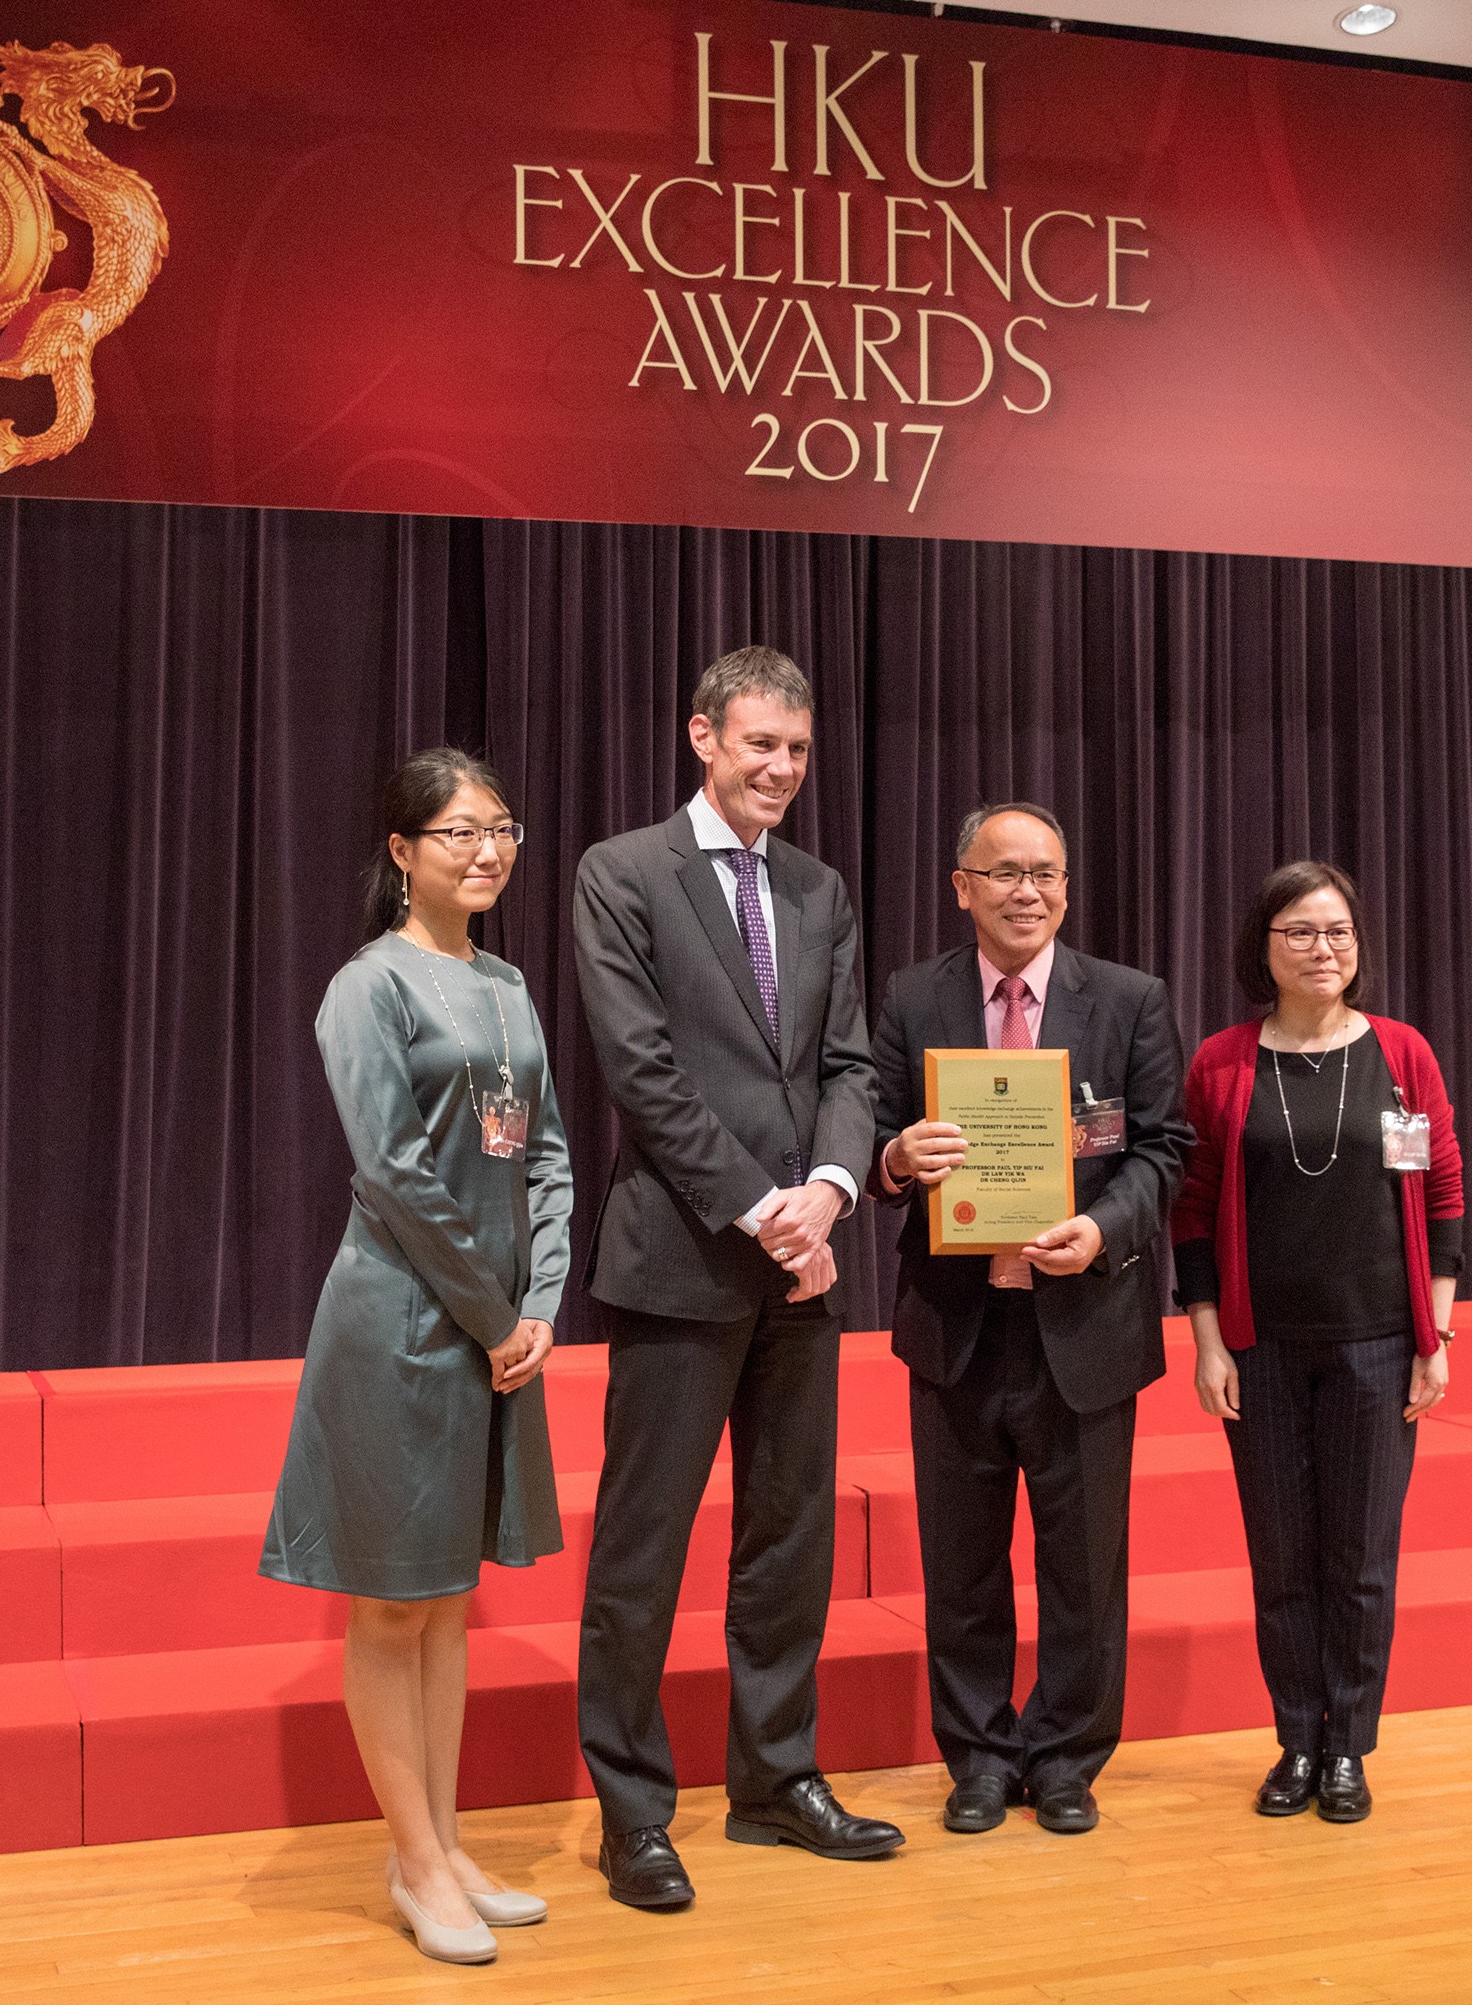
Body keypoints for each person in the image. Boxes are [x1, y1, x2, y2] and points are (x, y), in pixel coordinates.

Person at [568, 645, 896, 1909]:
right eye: (761, 743)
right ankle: (632, 1811)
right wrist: (764, 1207)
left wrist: (832, 1188)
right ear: (701, 734)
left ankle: (773, 1779)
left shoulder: (818, 887)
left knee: (788, 1536)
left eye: (798, 749)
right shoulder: (621, 872)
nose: (781, 768)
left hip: (802, 1269)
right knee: (643, 1548)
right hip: (680, 1259)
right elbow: (639, 1069)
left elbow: (849, 1064)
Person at [260, 750, 570, 1966]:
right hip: (400, 1320)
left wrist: (538, 1297)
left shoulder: (506, 982)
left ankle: (437, 1842)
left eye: (501, 828)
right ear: (401, 850)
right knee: (392, 1600)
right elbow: (390, 1171)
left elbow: (544, 1150)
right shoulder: (366, 985)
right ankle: (414, 1859)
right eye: (458, 831)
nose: (487, 850)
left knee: (446, 1599)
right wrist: (493, 1316)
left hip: (498, 1325)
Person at [868, 803, 1191, 1836]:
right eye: (1004, 871)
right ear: (960, 885)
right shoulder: (911, 996)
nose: (1027, 891)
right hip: (955, 1325)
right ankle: (976, 1756)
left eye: (1045, 872)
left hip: (1084, 1320)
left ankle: (1064, 1757)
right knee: (960, 1561)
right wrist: (893, 1158)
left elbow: (1164, 1148)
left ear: (1066, 887)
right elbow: (871, 1133)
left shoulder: (1129, 999)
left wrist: (1102, 1229)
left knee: (1082, 1564)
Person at [1171, 859, 1463, 1827]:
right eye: (1298, 930)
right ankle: (1296, 1737)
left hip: (1377, 1343)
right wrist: (1209, 1341)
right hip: (1261, 1349)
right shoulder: (1222, 1062)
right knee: (1282, 1557)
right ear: (1264, 947)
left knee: (1361, 1559)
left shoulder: (1401, 1053)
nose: (1321, 948)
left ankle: (1349, 1747)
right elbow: (1193, 1211)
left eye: (1336, 930)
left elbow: (1441, 1189)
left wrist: (1435, 1332)